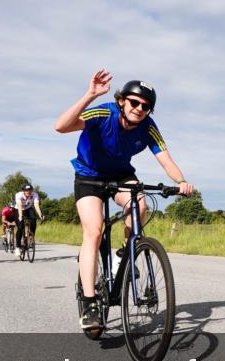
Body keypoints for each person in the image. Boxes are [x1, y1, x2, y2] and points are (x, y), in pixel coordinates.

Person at [55, 70, 194, 331]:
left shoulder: (148, 128)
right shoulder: (104, 113)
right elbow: (61, 126)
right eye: (134, 102)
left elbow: (165, 159)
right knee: (94, 232)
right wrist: (90, 95)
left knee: (139, 206)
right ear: (122, 101)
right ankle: (90, 304)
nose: (139, 109)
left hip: (120, 175)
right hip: (89, 176)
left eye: (145, 106)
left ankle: (124, 255)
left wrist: (181, 182)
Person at [13, 184, 43, 256]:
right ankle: (17, 247)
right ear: (23, 191)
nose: (28, 192)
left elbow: (36, 205)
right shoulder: (18, 195)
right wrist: (20, 216)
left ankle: (31, 236)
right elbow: (19, 206)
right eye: (26, 190)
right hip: (18, 210)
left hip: (28, 209)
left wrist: (40, 215)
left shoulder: (35, 195)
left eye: (30, 190)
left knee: (33, 219)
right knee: (20, 227)